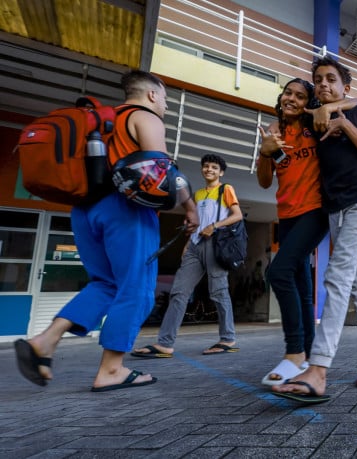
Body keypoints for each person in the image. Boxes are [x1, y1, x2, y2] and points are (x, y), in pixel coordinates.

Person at [14, 70, 199, 391]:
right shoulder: (145, 117)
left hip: (85, 210)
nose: (166, 107)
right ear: (153, 94)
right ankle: (111, 370)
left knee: (106, 284)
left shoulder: (103, 123)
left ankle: (44, 342)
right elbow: (161, 173)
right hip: (125, 210)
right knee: (137, 288)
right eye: (166, 99)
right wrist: (191, 207)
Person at [271, 56, 357, 403]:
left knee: (336, 278)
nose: (324, 84)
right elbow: (294, 115)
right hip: (335, 209)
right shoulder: (315, 117)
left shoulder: (356, 112)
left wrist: (344, 124)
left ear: (345, 86)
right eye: (318, 80)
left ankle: (318, 369)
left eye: (331, 79)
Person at [256, 78, 357, 386]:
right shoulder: (273, 131)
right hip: (287, 214)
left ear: (309, 102)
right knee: (301, 287)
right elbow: (265, 181)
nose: (292, 99)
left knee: (278, 273)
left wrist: (327, 106)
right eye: (288, 93)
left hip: (316, 210)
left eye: (301, 96)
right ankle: (307, 355)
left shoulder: (314, 123)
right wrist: (265, 152)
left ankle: (294, 354)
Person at [132, 154, 243, 358]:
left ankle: (228, 339)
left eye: (214, 167)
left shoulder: (225, 189)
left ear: (221, 172)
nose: (209, 170)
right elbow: (195, 222)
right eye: (206, 166)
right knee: (178, 292)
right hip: (194, 245)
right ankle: (165, 343)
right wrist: (187, 243)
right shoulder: (198, 194)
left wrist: (213, 226)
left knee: (218, 292)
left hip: (214, 244)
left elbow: (237, 215)